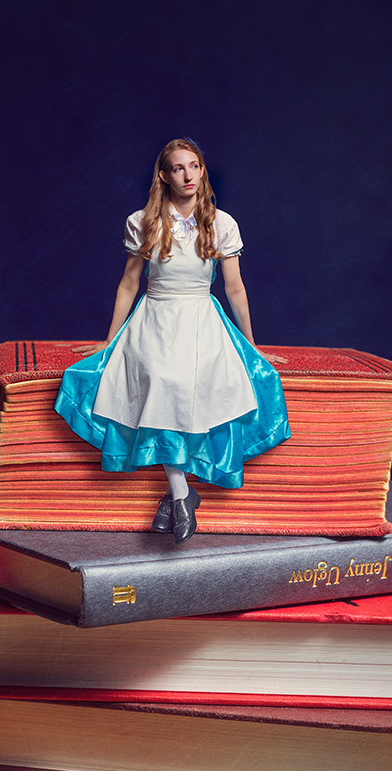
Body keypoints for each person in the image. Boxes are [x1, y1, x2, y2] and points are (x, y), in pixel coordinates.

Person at [53, 138, 290, 542]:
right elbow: (129, 283)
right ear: (164, 176)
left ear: (202, 171)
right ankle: (182, 494)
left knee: (191, 386)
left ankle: (177, 497)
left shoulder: (221, 223)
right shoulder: (142, 221)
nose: (188, 175)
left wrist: (251, 346)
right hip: (155, 317)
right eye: (178, 168)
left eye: (194, 166)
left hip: (201, 318)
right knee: (160, 380)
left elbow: (234, 289)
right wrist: (110, 341)